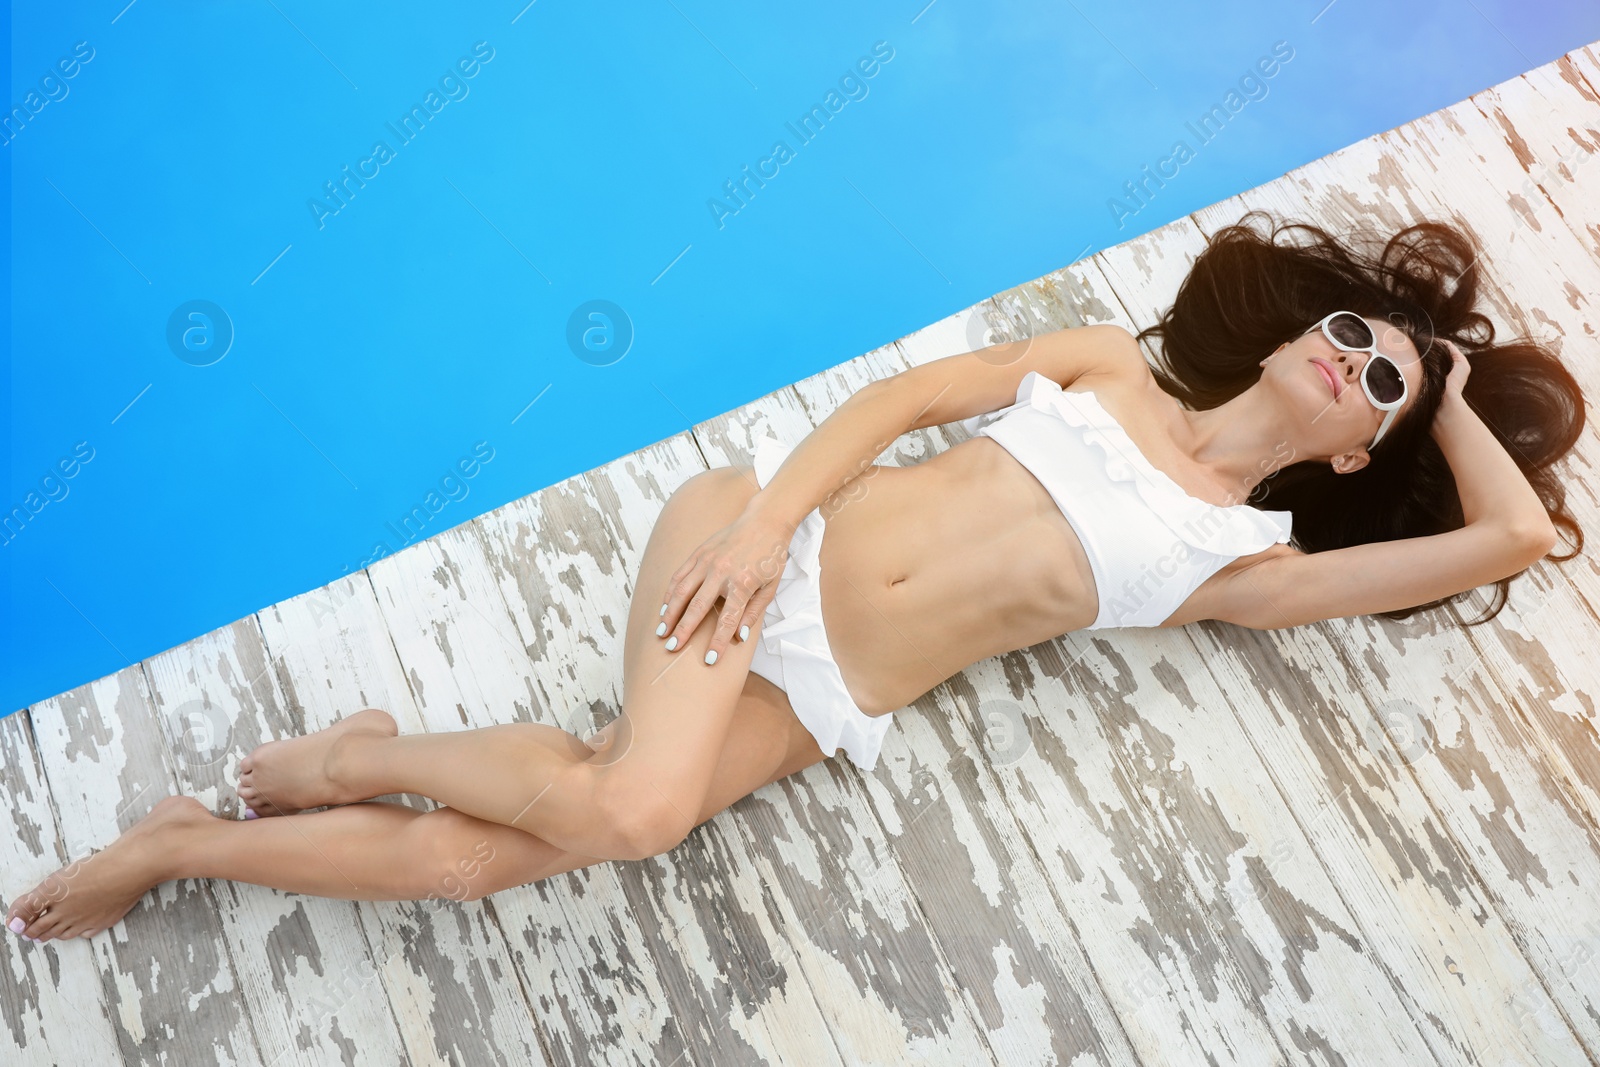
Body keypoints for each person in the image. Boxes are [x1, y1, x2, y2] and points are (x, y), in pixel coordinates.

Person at [6, 213, 1582, 943]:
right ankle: (342, 754)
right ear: (1309, 328)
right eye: (1362, 336)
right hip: (762, 552)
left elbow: (1517, 539)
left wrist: (1449, 391)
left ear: (1365, 454)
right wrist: (763, 533)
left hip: (827, 698)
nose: (1358, 358)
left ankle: (187, 842)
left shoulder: (1238, 565)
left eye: (1384, 384)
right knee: (633, 810)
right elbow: (902, 405)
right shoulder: (1111, 370)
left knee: (488, 866)